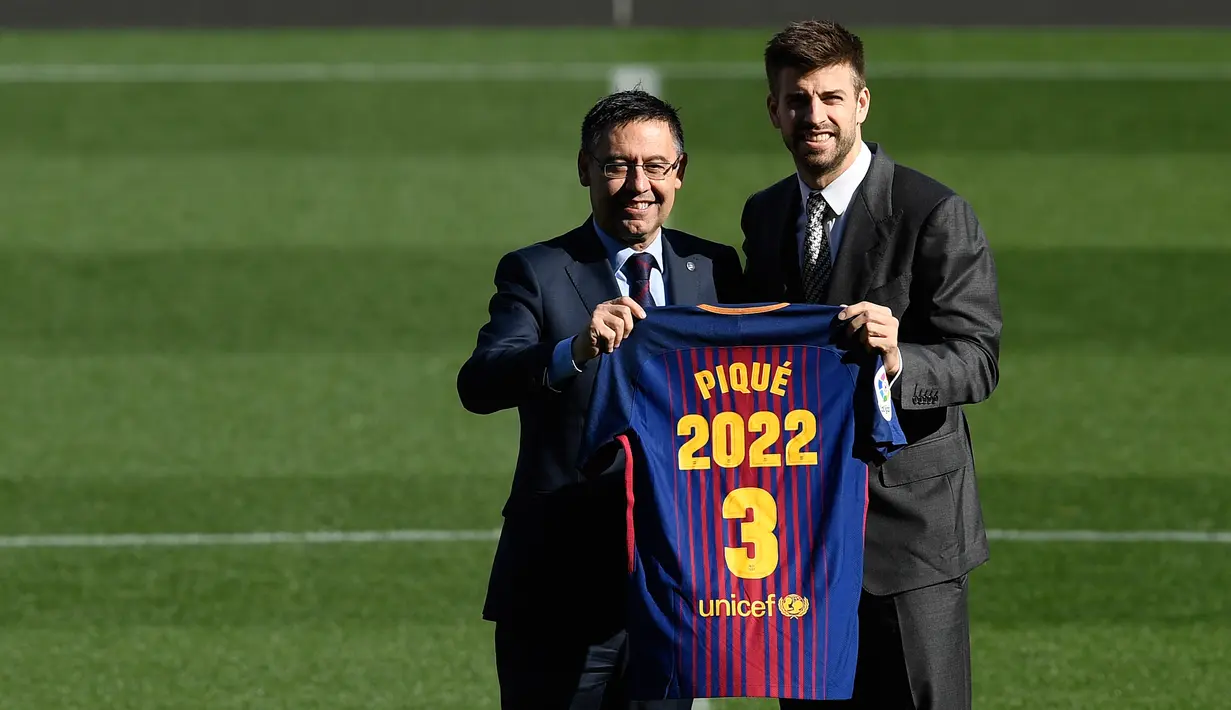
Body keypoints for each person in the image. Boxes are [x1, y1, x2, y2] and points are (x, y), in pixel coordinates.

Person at [740, 20, 1002, 710]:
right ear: (774, 110)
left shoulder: (933, 212)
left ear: (861, 101)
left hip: (910, 536)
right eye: (797, 100)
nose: (813, 116)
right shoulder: (763, 216)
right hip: (797, 534)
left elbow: (976, 360)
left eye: (830, 97)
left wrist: (896, 359)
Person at [457, 90, 742, 710]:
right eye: (617, 165)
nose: (639, 184)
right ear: (585, 169)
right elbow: (479, 381)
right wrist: (573, 349)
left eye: (655, 167)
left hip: (674, 589)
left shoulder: (715, 269)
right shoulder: (535, 270)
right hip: (558, 590)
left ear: (680, 174)